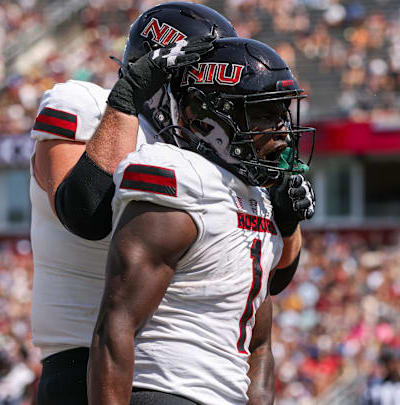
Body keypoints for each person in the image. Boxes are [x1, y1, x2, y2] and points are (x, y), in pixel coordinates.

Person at [28, 4, 252, 404]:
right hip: (84, 363)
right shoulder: (85, 102)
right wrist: (129, 97)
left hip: (171, 375)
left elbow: (269, 278)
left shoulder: (195, 149)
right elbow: (85, 212)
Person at [88, 37, 316, 405]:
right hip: (168, 391)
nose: (283, 130)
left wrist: (286, 225)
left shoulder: (257, 197)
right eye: (262, 113)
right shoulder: (184, 175)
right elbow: (116, 324)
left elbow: (258, 344)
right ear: (207, 118)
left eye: (281, 113)